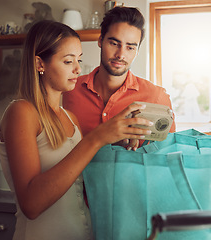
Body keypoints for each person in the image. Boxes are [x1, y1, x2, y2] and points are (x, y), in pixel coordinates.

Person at [0, 20, 153, 240]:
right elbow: (31, 205)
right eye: (68, 61)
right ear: (40, 64)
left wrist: (114, 141)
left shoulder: (69, 117)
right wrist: (97, 137)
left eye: (78, 60)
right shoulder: (21, 111)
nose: (78, 69)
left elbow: (75, 175)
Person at [63, 6, 176, 151]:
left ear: (137, 51)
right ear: (100, 41)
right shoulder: (69, 89)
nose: (121, 54)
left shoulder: (158, 98)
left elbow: (167, 158)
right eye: (114, 43)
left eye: (130, 47)